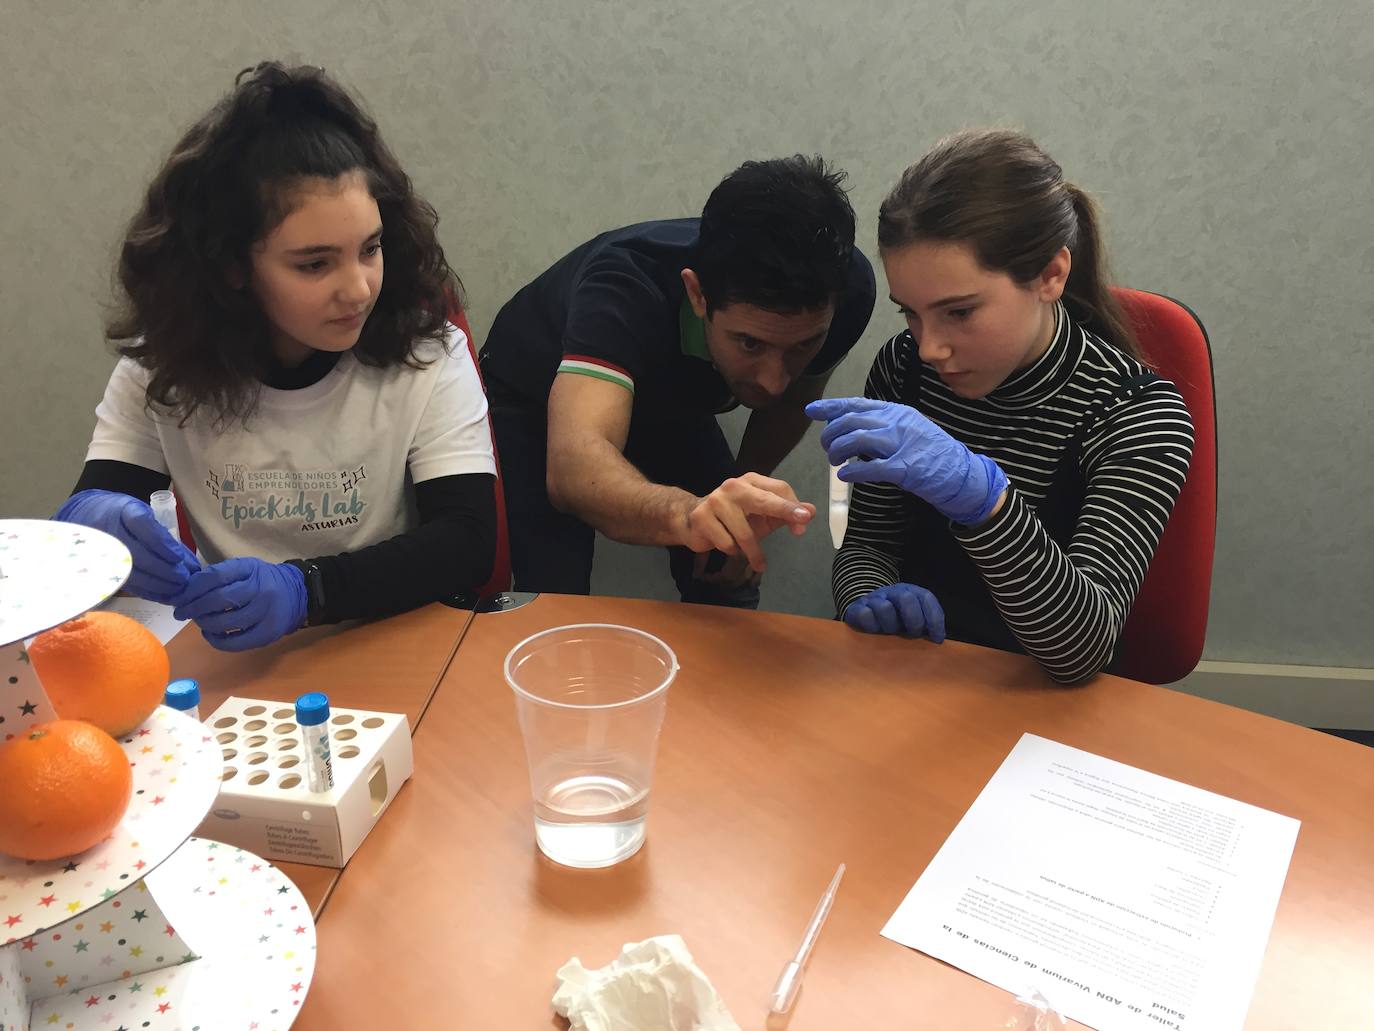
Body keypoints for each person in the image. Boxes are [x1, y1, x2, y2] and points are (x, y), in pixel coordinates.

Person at [54, 62, 497, 651]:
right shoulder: (161, 367)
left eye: (370, 248)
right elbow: (91, 514)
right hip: (244, 662)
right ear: (232, 266)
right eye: (314, 264)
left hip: (389, 639)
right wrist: (94, 528)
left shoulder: (428, 352)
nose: (360, 287)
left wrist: (306, 590)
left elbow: (466, 541)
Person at [807, 129, 1194, 683]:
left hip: (1041, 701)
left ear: (1050, 276)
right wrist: (868, 594)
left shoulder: (1136, 414)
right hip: (916, 677)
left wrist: (984, 503)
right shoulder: (904, 367)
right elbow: (869, 543)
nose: (930, 347)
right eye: (909, 314)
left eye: (959, 312)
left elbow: (1081, 651)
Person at [479, 156, 876, 606]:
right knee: (553, 589)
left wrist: (738, 501)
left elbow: (792, 401)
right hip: (534, 390)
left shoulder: (850, 291)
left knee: (727, 563)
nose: (772, 382)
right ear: (697, 294)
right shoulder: (624, 287)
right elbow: (573, 471)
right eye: (749, 344)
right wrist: (689, 515)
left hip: (671, 395)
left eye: (803, 346)